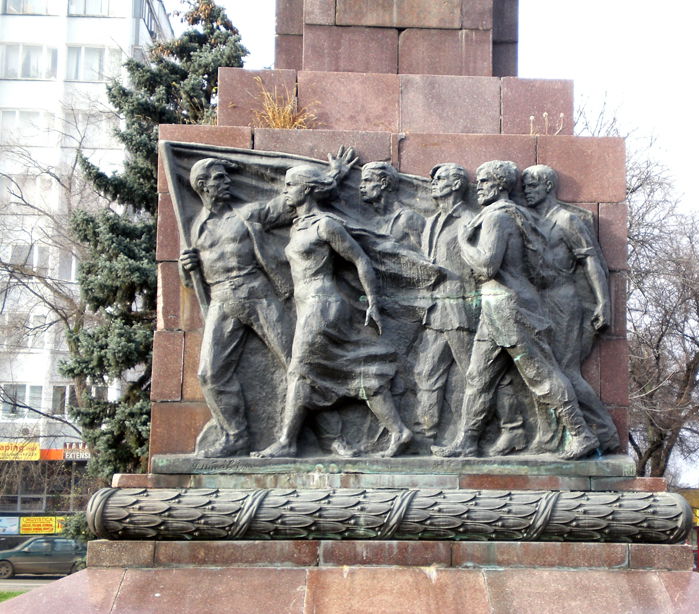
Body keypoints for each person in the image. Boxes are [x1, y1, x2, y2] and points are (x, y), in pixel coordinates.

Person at [431, 160, 599, 460]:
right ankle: (467, 441)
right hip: (494, 306)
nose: (478, 187)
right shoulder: (502, 215)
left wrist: (463, 243)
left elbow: (486, 265)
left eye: (483, 181)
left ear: (499, 184)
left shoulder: (498, 218)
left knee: (542, 376)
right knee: (477, 378)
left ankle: (581, 434)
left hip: (510, 306)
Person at [253, 164, 414, 458]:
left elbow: (361, 260)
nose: (285, 190)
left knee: (299, 372)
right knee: (355, 372)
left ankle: (288, 441)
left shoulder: (325, 225)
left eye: (291, 185)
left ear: (308, 190)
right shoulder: (296, 225)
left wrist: (374, 301)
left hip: (323, 307)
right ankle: (399, 430)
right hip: (306, 308)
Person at [180, 157, 294, 458]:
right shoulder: (196, 228)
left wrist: (325, 179)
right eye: (220, 178)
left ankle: (329, 435)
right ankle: (235, 437)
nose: (228, 181)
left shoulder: (246, 214)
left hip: (257, 293)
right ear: (203, 186)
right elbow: (194, 278)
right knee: (209, 373)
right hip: (222, 299)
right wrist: (186, 268)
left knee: (297, 362)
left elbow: (284, 206)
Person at [521, 164, 620, 453]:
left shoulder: (567, 220)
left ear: (548, 187)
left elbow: (593, 262)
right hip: (535, 302)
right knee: (544, 371)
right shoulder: (529, 220)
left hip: (562, 300)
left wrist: (603, 302)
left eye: (532, 186)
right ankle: (551, 435)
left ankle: (605, 433)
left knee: (565, 371)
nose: (526, 191)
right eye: (525, 186)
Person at [411, 163, 479, 441]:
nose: (433, 183)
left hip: (460, 307)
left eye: (439, 179)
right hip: (435, 307)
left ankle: (509, 427)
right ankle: (426, 433)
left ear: (456, 184)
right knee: (426, 371)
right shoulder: (430, 222)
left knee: (474, 374)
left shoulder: (471, 220)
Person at [359, 161, 425, 248]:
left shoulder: (407, 218)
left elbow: (423, 256)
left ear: (384, 183)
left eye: (367, 180)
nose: (361, 186)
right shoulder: (374, 223)